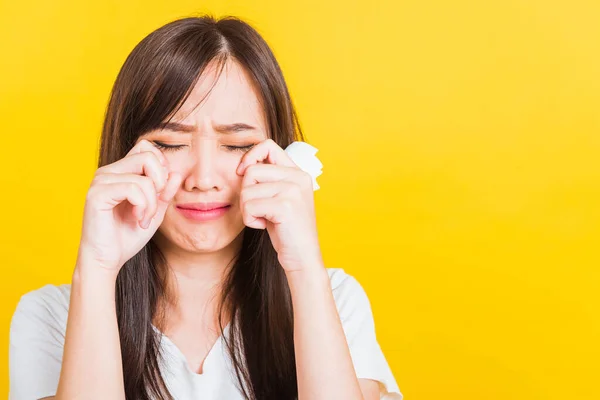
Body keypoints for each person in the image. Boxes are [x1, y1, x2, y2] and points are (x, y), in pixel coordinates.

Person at [9, 15, 402, 400]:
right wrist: (96, 268)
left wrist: (302, 266)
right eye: (170, 143)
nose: (204, 177)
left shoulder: (332, 296)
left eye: (237, 146)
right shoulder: (50, 315)